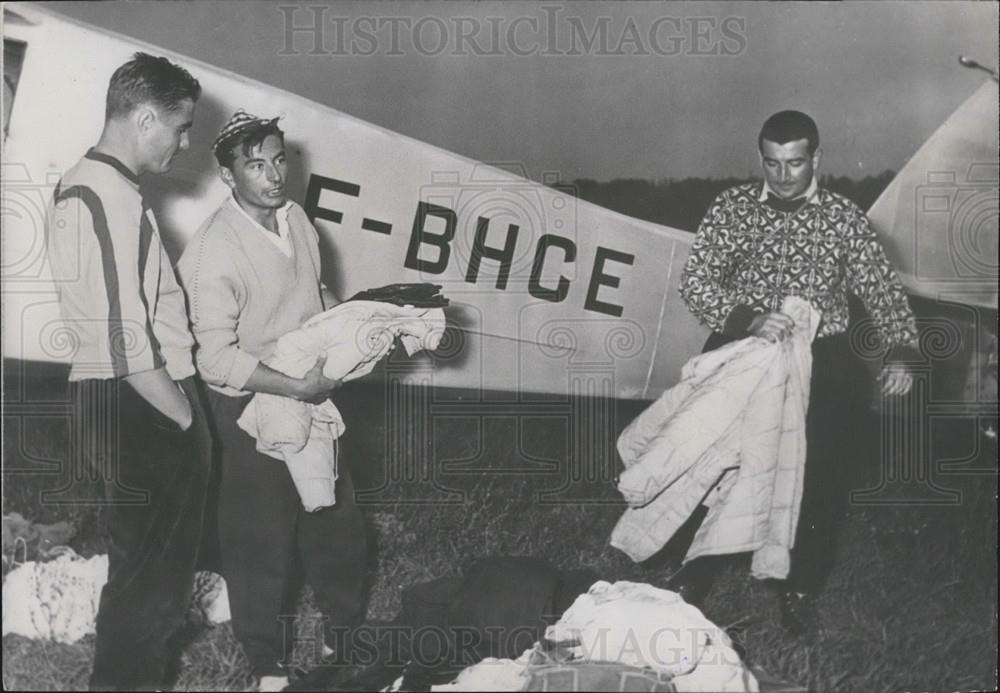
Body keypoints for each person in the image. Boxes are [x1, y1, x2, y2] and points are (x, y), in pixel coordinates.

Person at [675, 110, 918, 633]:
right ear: (761, 158)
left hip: (822, 357)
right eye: (772, 164)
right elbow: (696, 281)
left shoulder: (843, 218)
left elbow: (882, 289)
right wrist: (746, 318)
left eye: (795, 164)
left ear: (817, 159)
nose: (784, 176)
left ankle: (800, 586)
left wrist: (901, 350)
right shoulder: (732, 208)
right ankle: (693, 576)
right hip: (742, 349)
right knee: (715, 462)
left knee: (818, 474)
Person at [177, 110, 367, 692]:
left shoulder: (297, 220)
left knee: (337, 518)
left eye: (279, 159)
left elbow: (315, 293)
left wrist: (357, 323)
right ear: (229, 176)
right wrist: (295, 387)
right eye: (255, 164)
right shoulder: (213, 251)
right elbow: (213, 359)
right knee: (259, 536)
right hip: (247, 407)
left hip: (306, 392)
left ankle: (347, 633)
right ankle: (267, 665)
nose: (273, 174)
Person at [44, 53, 211, 690]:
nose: (184, 141)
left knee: (141, 576)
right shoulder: (107, 192)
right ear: (145, 119)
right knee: (155, 591)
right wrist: (184, 415)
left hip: (109, 399)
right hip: (140, 403)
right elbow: (124, 337)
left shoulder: (86, 185)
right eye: (181, 126)